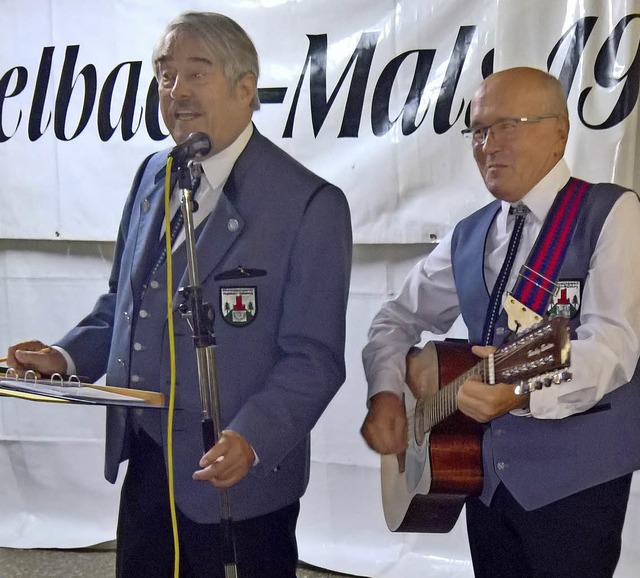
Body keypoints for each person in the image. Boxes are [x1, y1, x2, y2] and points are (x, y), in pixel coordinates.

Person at [6, 11, 352, 578]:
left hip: (236, 478)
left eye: (197, 73)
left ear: (246, 88)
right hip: (148, 464)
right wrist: (65, 358)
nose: (176, 91)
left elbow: (312, 359)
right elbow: (122, 303)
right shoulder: (153, 175)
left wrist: (252, 437)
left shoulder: (309, 204)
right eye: (165, 75)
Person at [361, 66, 640, 578]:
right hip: (484, 484)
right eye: (479, 130)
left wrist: (520, 393)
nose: (488, 145)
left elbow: (612, 346)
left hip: (574, 483)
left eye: (508, 125)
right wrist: (385, 394)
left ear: (559, 132)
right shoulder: (471, 233)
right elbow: (393, 318)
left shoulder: (611, 212)